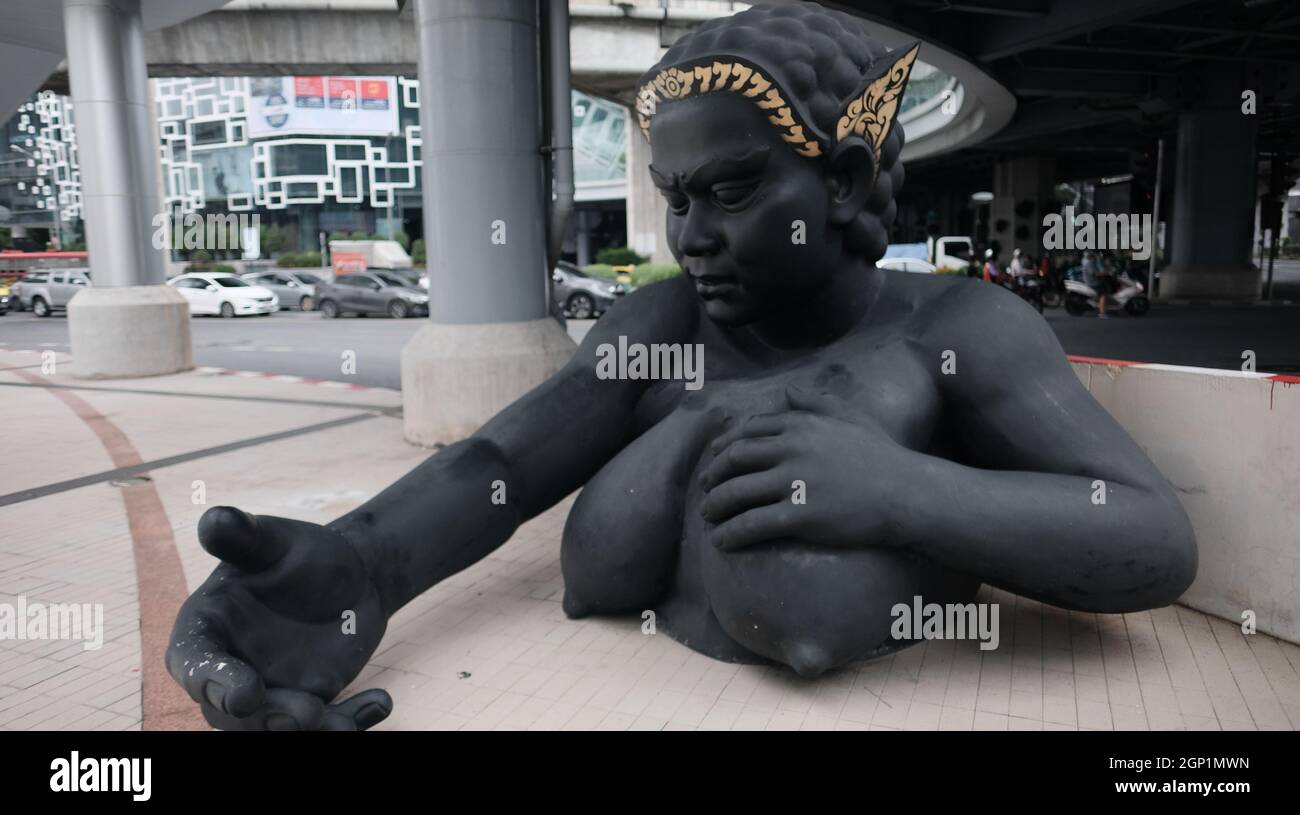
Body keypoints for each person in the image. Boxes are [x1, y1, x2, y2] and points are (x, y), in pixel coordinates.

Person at [168, 3, 1196, 730]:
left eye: (733, 189)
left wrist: (904, 491)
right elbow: (499, 461)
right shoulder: (660, 321)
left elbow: (1148, 536)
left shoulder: (956, 328)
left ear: (842, 179)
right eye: (675, 196)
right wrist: (357, 568)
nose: (691, 235)